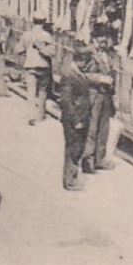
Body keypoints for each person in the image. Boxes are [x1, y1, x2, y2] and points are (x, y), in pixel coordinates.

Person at [53, 38, 95, 191]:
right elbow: (66, 101)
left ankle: (73, 178)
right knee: (73, 149)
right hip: (74, 120)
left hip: (82, 118)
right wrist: (76, 120)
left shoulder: (78, 73)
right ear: (79, 60)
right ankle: (70, 181)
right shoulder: (69, 75)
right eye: (86, 61)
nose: (88, 65)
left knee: (78, 148)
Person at [80, 27, 118, 173]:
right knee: (92, 128)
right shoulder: (88, 52)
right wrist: (100, 78)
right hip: (93, 94)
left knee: (104, 129)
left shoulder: (107, 54)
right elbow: (82, 74)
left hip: (106, 95)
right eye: (101, 36)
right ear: (94, 38)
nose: (104, 39)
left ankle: (99, 159)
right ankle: (87, 161)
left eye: (106, 36)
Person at [18, 14, 55, 125]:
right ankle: (40, 115)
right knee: (42, 91)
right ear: (43, 22)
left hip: (30, 66)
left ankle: (31, 116)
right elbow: (52, 52)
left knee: (31, 92)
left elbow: (19, 49)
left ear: (33, 21)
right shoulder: (47, 35)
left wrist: (26, 52)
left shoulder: (26, 34)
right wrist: (42, 48)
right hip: (43, 66)